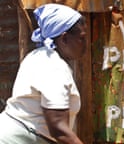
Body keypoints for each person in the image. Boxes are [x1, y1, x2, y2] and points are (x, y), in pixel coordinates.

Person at [0, 3, 86, 144]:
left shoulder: (38, 55)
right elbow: (58, 128)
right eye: (81, 38)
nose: (85, 44)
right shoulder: (53, 67)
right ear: (64, 39)